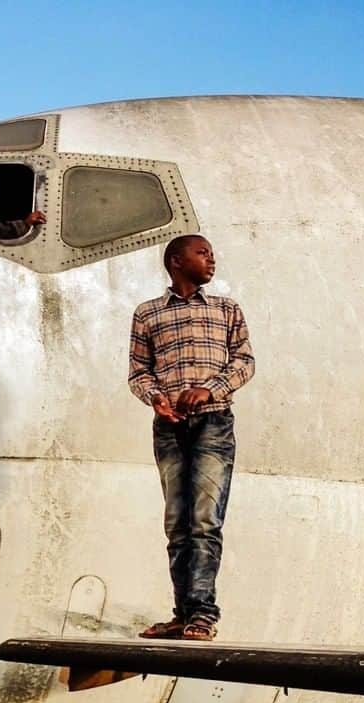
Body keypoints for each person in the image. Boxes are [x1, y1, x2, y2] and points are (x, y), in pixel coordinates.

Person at [128, 235, 256, 640]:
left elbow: (244, 361)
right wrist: (156, 399)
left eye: (212, 253)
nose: (211, 260)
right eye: (202, 253)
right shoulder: (148, 314)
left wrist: (209, 389)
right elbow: (139, 372)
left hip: (212, 423)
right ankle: (182, 613)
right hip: (169, 428)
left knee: (204, 520)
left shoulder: (226, 309)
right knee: (176, 524)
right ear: (176, 261)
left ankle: (203, 614)